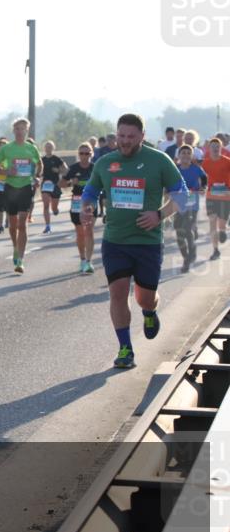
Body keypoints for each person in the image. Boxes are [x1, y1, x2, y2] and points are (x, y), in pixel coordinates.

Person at [81, 113, 188, 369]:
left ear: (142, 136)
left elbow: (183, 196)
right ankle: (125, 349)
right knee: (117, 293)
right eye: (121, 136)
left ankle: (149, 313)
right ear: (115, 135)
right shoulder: (105, 162)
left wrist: (159, 214)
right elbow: (90, 191)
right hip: (115, 240)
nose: (125, 142)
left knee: (145, 298)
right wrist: (87, 207)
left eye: (130, 137)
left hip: (147, 242)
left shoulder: (158, 160)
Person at [0, 118, 42, 273]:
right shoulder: (6, 149)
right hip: (10, 188)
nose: (20, 131)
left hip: (26, 187)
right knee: (13, 225)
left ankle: (20, 260)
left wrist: (37, 176)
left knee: (23, 224)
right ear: (13, 131)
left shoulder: (31, 148)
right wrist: (7, 171)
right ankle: (15, 247)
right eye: (17, 129)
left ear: (27, 131)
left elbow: (39, 163)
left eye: (23, 129)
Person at [60, 142, 97, 274]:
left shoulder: (95, 168)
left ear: (91, 154)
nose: (84, 156)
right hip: (76, 201)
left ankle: (88, 261)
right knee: (80, 232)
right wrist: (71, 182)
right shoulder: (73, 168)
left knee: (89, 231)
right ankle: (82, 259)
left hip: (91, 202)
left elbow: (104, 183)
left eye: (87, 153)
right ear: (78, 154)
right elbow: (61, 184)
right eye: (81, 153)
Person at [174, 144, 207, 272]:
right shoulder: (175, 168)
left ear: (192, 156)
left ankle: (187, 259)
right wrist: (166, 189)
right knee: (178, 232)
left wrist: (203, 188)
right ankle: (186, 254)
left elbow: (204, 179)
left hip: (192, 203)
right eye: (183, 153)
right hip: (177, 203)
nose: (186, 155)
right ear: (179, 156)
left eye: (189, 153)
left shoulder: (196, 168)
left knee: (187, 229)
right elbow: (167, 181)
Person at [201, 137, 230, 260]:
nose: (215, 148)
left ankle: (223, 231)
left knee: (221, 224)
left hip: (225, 196)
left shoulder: (227, 161)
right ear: (209, 148)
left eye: (217, 146)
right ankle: (215, 250)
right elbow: (201, 177)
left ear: (221, 148)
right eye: (213, 146)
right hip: (211, 196)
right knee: (212, 221)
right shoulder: (205, 163)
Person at [39, 140, 67, 233]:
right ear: (44, 148)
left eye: (50, 147)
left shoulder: (57, 159)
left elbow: (66, 170)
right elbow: (37, 170)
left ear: (53, 148)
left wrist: (58, 171)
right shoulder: (42, 160)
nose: (48, 148)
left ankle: (55, 210)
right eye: (47, 147)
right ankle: (47, 226)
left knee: (53, 207)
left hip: (55, 184)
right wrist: (38, 174)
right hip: (45, 185)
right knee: (46, 205)